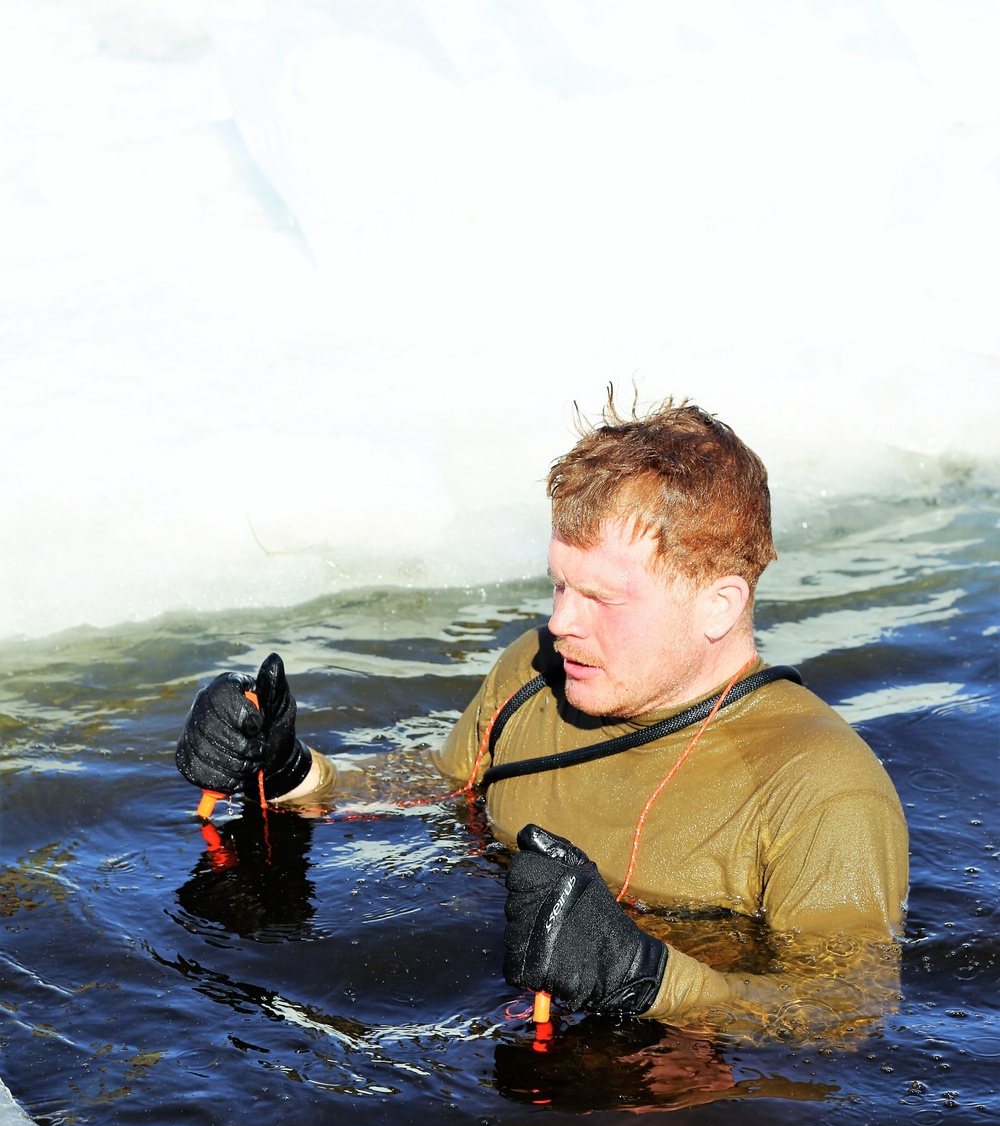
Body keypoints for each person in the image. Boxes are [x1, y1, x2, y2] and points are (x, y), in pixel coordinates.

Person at [176, 397, 908, 1031]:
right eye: (559, 586)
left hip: (683, 1095)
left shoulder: (822, 789)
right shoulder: (533, 673)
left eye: (601, 599)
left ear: (719, 604)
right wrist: (291, 769)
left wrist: (647, 980)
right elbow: (440, 784)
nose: (560, 623)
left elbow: (845, 1011)